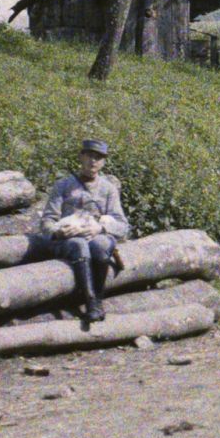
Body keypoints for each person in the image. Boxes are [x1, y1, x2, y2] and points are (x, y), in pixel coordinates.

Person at [33, 139, 131, 326]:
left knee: (101, 245)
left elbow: (122, 225)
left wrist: (100, 228)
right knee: (79, 245)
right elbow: (47, 221)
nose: (93, 161)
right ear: (81, 157)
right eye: (89, 156)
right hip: (69, 240)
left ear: (103, 162)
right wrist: (58, 233)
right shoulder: (63, 185)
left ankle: (98, 299)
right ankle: (90, 301)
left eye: (98, 158)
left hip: (96, 235)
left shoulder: (108, 189)